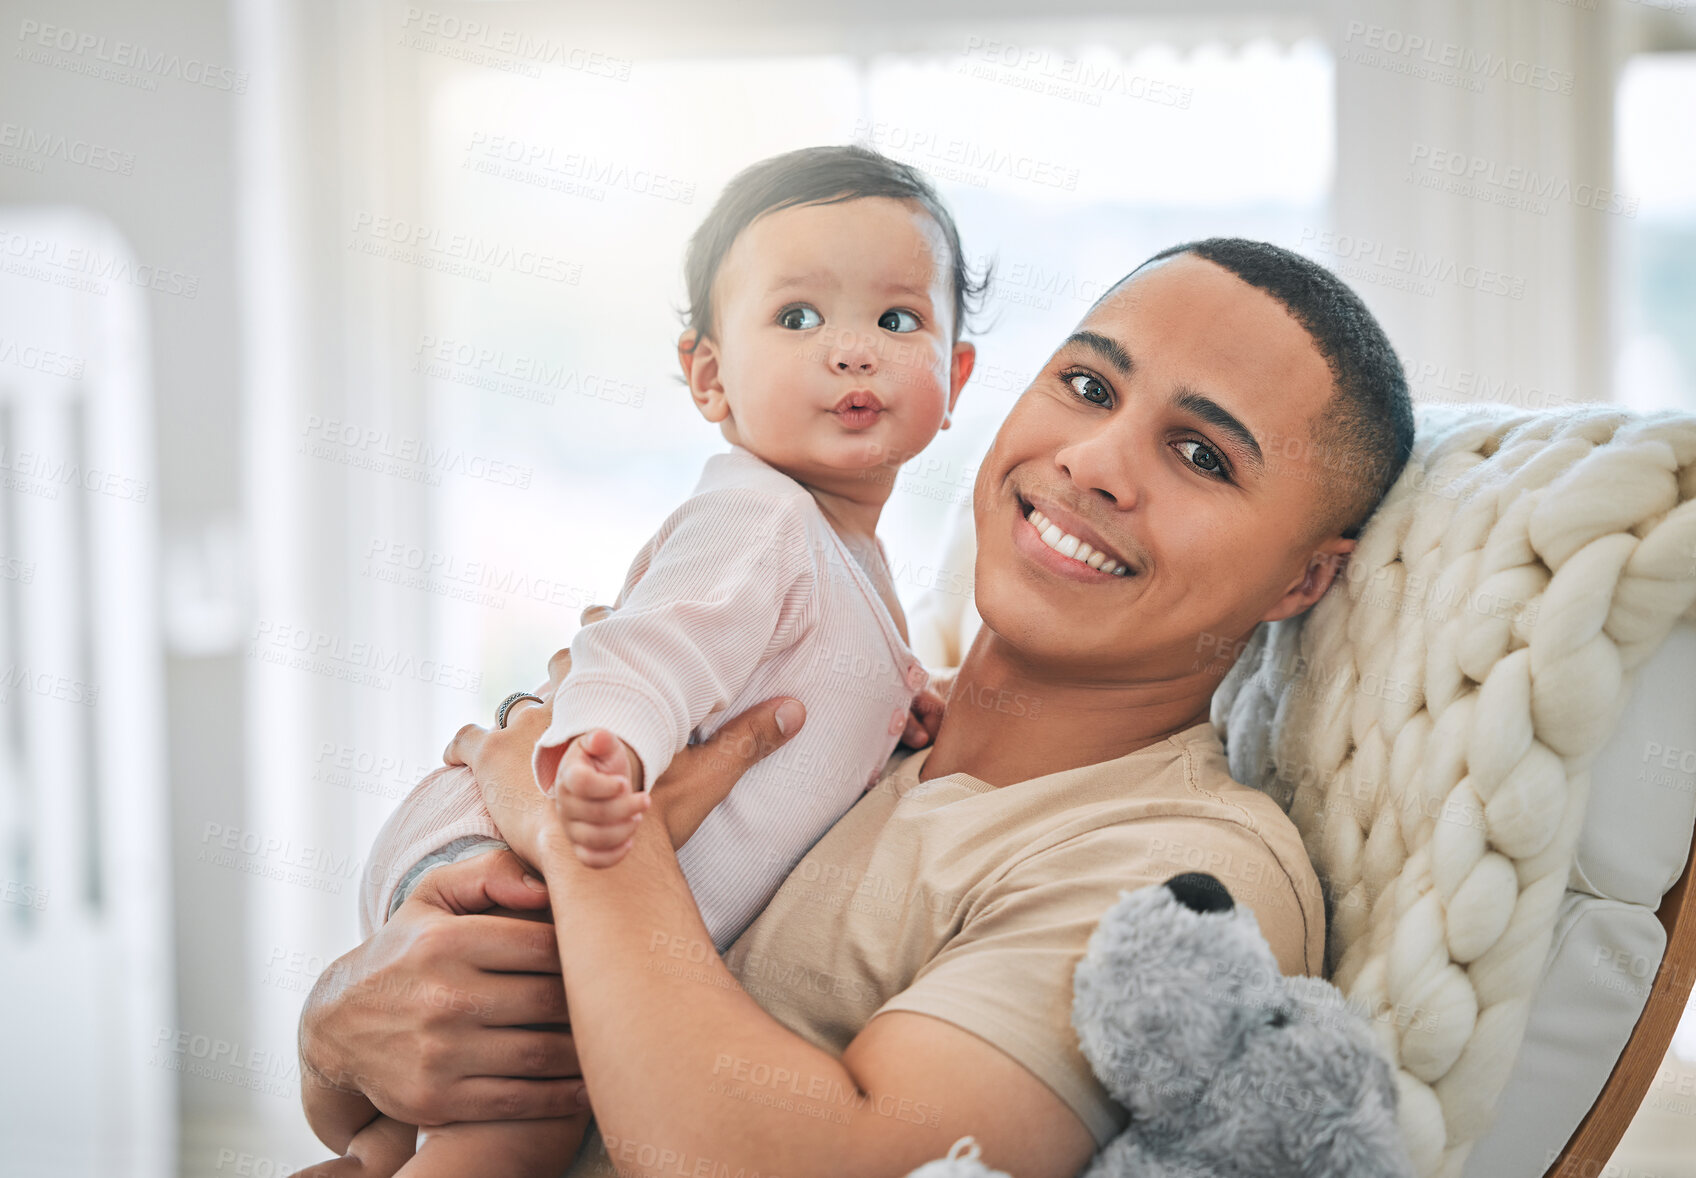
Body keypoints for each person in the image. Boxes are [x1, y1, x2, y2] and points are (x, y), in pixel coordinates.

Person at [297, 237, 1415, 1178]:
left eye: (1200, 454)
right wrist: (338, 1031)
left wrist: (589, 836)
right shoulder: (835, 687)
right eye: (1086, 385)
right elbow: (382, 1091)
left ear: (1304, 579)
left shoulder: (1183, 875)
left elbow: (820, 1158)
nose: (1093, 462)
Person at [307, 144, 981, 1176]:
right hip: (514, 846)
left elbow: (826, 675)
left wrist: (907, 698)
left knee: (468, 1098)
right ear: (708, 377)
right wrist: (602, 752)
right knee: (524, 1118)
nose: (852, 351)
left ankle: (371, 1152)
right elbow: (651, 646)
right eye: (798, 317)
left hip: (573, 870)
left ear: (956, 373)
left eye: (897, 321)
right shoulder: (757, 517)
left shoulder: (854, 560)